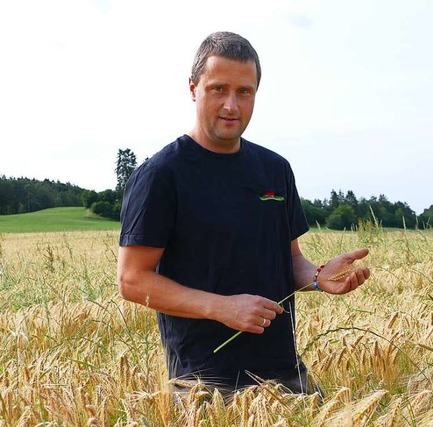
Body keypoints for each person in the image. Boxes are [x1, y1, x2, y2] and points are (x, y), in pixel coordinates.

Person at [116, 31, 370, 398]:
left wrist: (317, 277)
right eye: (219, 89)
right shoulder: (161, 175)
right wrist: (222, 308)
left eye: (244, 92)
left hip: (284, 373)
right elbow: (132, 280)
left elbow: (289, 260)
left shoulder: (275, 170)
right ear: (193, 89)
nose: (231, 106)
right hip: (204, 383)